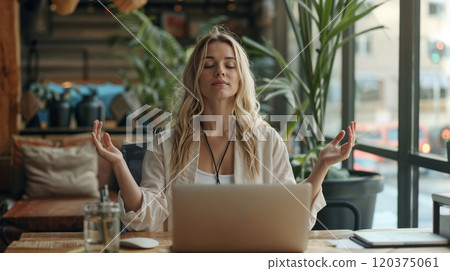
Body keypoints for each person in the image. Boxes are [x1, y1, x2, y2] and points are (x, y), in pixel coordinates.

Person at [91, 26, 356, 232]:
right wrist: (119, 164)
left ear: (241, 77)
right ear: (195, 77)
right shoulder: (167, 142)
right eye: (209, 65)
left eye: (230, 65)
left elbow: (292, 216)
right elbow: (143, 220)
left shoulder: (266, 139)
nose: (220, 71)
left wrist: (321, 166)